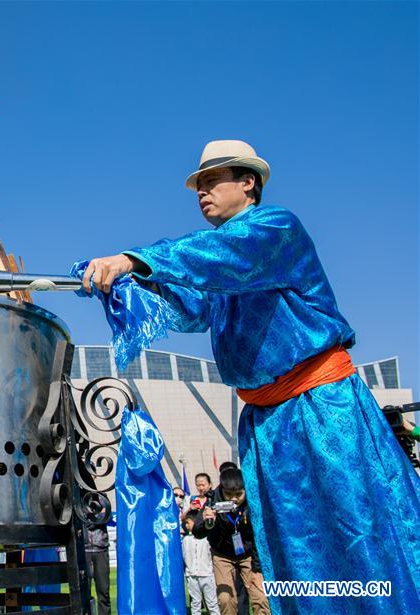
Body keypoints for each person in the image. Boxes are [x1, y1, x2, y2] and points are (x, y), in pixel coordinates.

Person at [81, 139, 420, 614]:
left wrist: (134, 258)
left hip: (321, 408)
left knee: (356, 532)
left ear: (248, 182)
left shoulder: (274, 230)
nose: (202, 190)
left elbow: (221, 255)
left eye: (212, 179)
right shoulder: (225, 276)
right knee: (293, 552)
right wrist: (129, 283)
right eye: (198, 183)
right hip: (267, 423)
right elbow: (187, 301)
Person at [191, 469, 268, 615]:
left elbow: (259, 537)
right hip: (222, 555)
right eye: (229, 494)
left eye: (239, 494)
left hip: (248, 554)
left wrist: (257, 570)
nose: (234, 499)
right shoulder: (213, 500)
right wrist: (208, 524)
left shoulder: (252, 503)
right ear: (222, 489)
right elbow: (197, 532)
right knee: (225, 599)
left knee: (261, 596)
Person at [182, 510, 220, 615]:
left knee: (212, 603)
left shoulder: (207, 538)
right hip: (192, 575)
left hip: (207, 575)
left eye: (188, 522)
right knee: (195, 602)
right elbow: (185, 556)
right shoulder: (185, 540)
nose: (186, 525)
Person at [83, 522, 111, 615]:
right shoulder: (77, 506)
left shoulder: (103, 506)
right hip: (83, 550)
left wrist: (89, 519)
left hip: (101, 550)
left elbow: (106, 516)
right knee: (83, 594)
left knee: (104, 593)